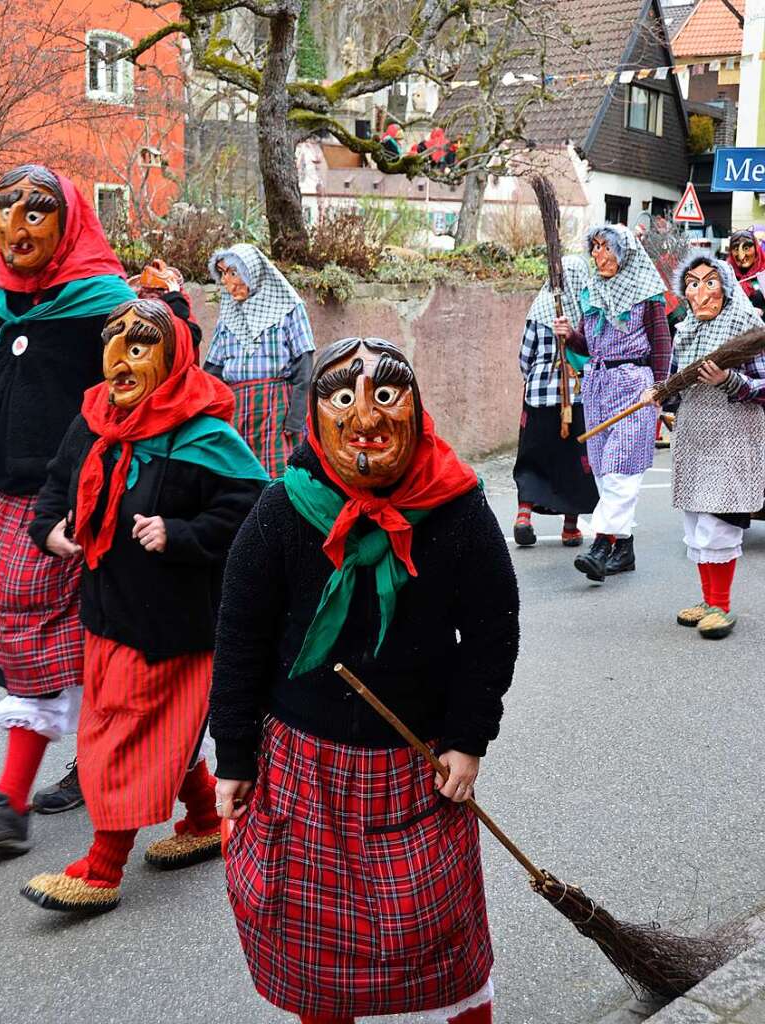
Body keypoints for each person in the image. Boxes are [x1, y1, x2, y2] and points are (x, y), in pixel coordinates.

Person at [210, 337, 520, 1023]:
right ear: (317, 415)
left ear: (414, 407)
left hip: (419, 762)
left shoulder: (458, 509)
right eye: (343, 399)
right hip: (302, 764)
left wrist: (469, 740)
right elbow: (238, 637)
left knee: (441, 931)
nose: (365, 419)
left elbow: (493, 633)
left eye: (384, 396)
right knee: (313, 949)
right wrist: (233, 755)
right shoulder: (283, 509)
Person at [18, 298, 267, 912]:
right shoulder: (95, 418)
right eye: (114, 344)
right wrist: (50, 530)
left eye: (139, 347)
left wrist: (180, 534)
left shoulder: (206, 434)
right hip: (105, 614)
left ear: (174, 356)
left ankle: (103, 866)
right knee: (155, 733)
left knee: (122, 736)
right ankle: (207, 817)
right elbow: (56, 483)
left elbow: (251, 512)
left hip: (172, 623)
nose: (121, 361)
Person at [0, 164, 134, 850]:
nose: (18, 223)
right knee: (90, 646)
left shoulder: (102, 302)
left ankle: (7, 803)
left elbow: (134, 387)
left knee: (36, 630)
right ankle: (166, 774)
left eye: (37, 209)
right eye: (6, 206)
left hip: (60, 499)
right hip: (0, 492)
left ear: (69, 221)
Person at [654, 255, 765, 639]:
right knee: (698, 521)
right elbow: (674, 382)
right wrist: (660, 395)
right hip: (694, 434)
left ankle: (722, 604)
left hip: (733, 435)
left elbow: (763, 387)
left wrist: (728, 380)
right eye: (693, 283)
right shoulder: (684, 330)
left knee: (719, 522)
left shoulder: (748, 326)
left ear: (727, 286)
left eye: (710, 282)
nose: (701, 292)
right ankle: (707, 599)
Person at [554, 225, 671, 582]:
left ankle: (602, 543)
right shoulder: (593, 293)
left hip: (634, 385)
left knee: (622, 467)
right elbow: (588, 345)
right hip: (598, 384)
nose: (597, 254)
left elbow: (662, 343)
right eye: (595, 247)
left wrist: (661, 388)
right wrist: (569, 336)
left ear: (625, 253)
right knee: (605, 470)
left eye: (605, 247)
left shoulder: (647, 294)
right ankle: (624, 549)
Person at [204, 244, 315, 478]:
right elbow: (212, 370)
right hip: (237, 407)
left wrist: (295, 418)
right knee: (238, 475)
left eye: (233, 273)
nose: (227, 281)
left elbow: (304, 367)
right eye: (223, 274)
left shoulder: (288, 309)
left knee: (279, 475)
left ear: (252, 272)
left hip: (277, 408)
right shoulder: (228, 317)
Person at [513, 254, 598, 547]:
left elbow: (525, 355)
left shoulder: (539, 309)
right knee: (574, 463)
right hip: (577, 399)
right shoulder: (586, 313)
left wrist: (534, 379)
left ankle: (523, 516)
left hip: (538, 396)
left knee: (532, 456)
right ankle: (570, 527)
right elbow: (593, 353)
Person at [130, 257, 202, 359]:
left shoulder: (180, 306)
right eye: (148, 291)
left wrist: (174, 299)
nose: (151, 296)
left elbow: (191, 337)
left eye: (156, 292)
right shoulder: (136, 308)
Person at [726, 228, 765, 314]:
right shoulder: (726, 275)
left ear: (756, 248)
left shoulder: (762, 274)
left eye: (746, 248)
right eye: (736, 249)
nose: (742, 256)